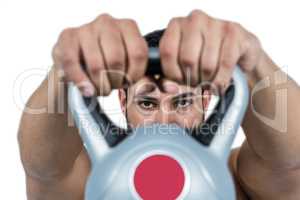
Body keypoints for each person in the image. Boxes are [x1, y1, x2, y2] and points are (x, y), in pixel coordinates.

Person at [18, 10, 300, 199]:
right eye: (148, 103)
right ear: (123, 100)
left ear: (205, 100)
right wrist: (67, 70)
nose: (165, 121)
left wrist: (250, 58)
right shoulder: (96, 180)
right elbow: (44, 167)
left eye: (182, 102)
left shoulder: (237, 175)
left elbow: (290, 159)